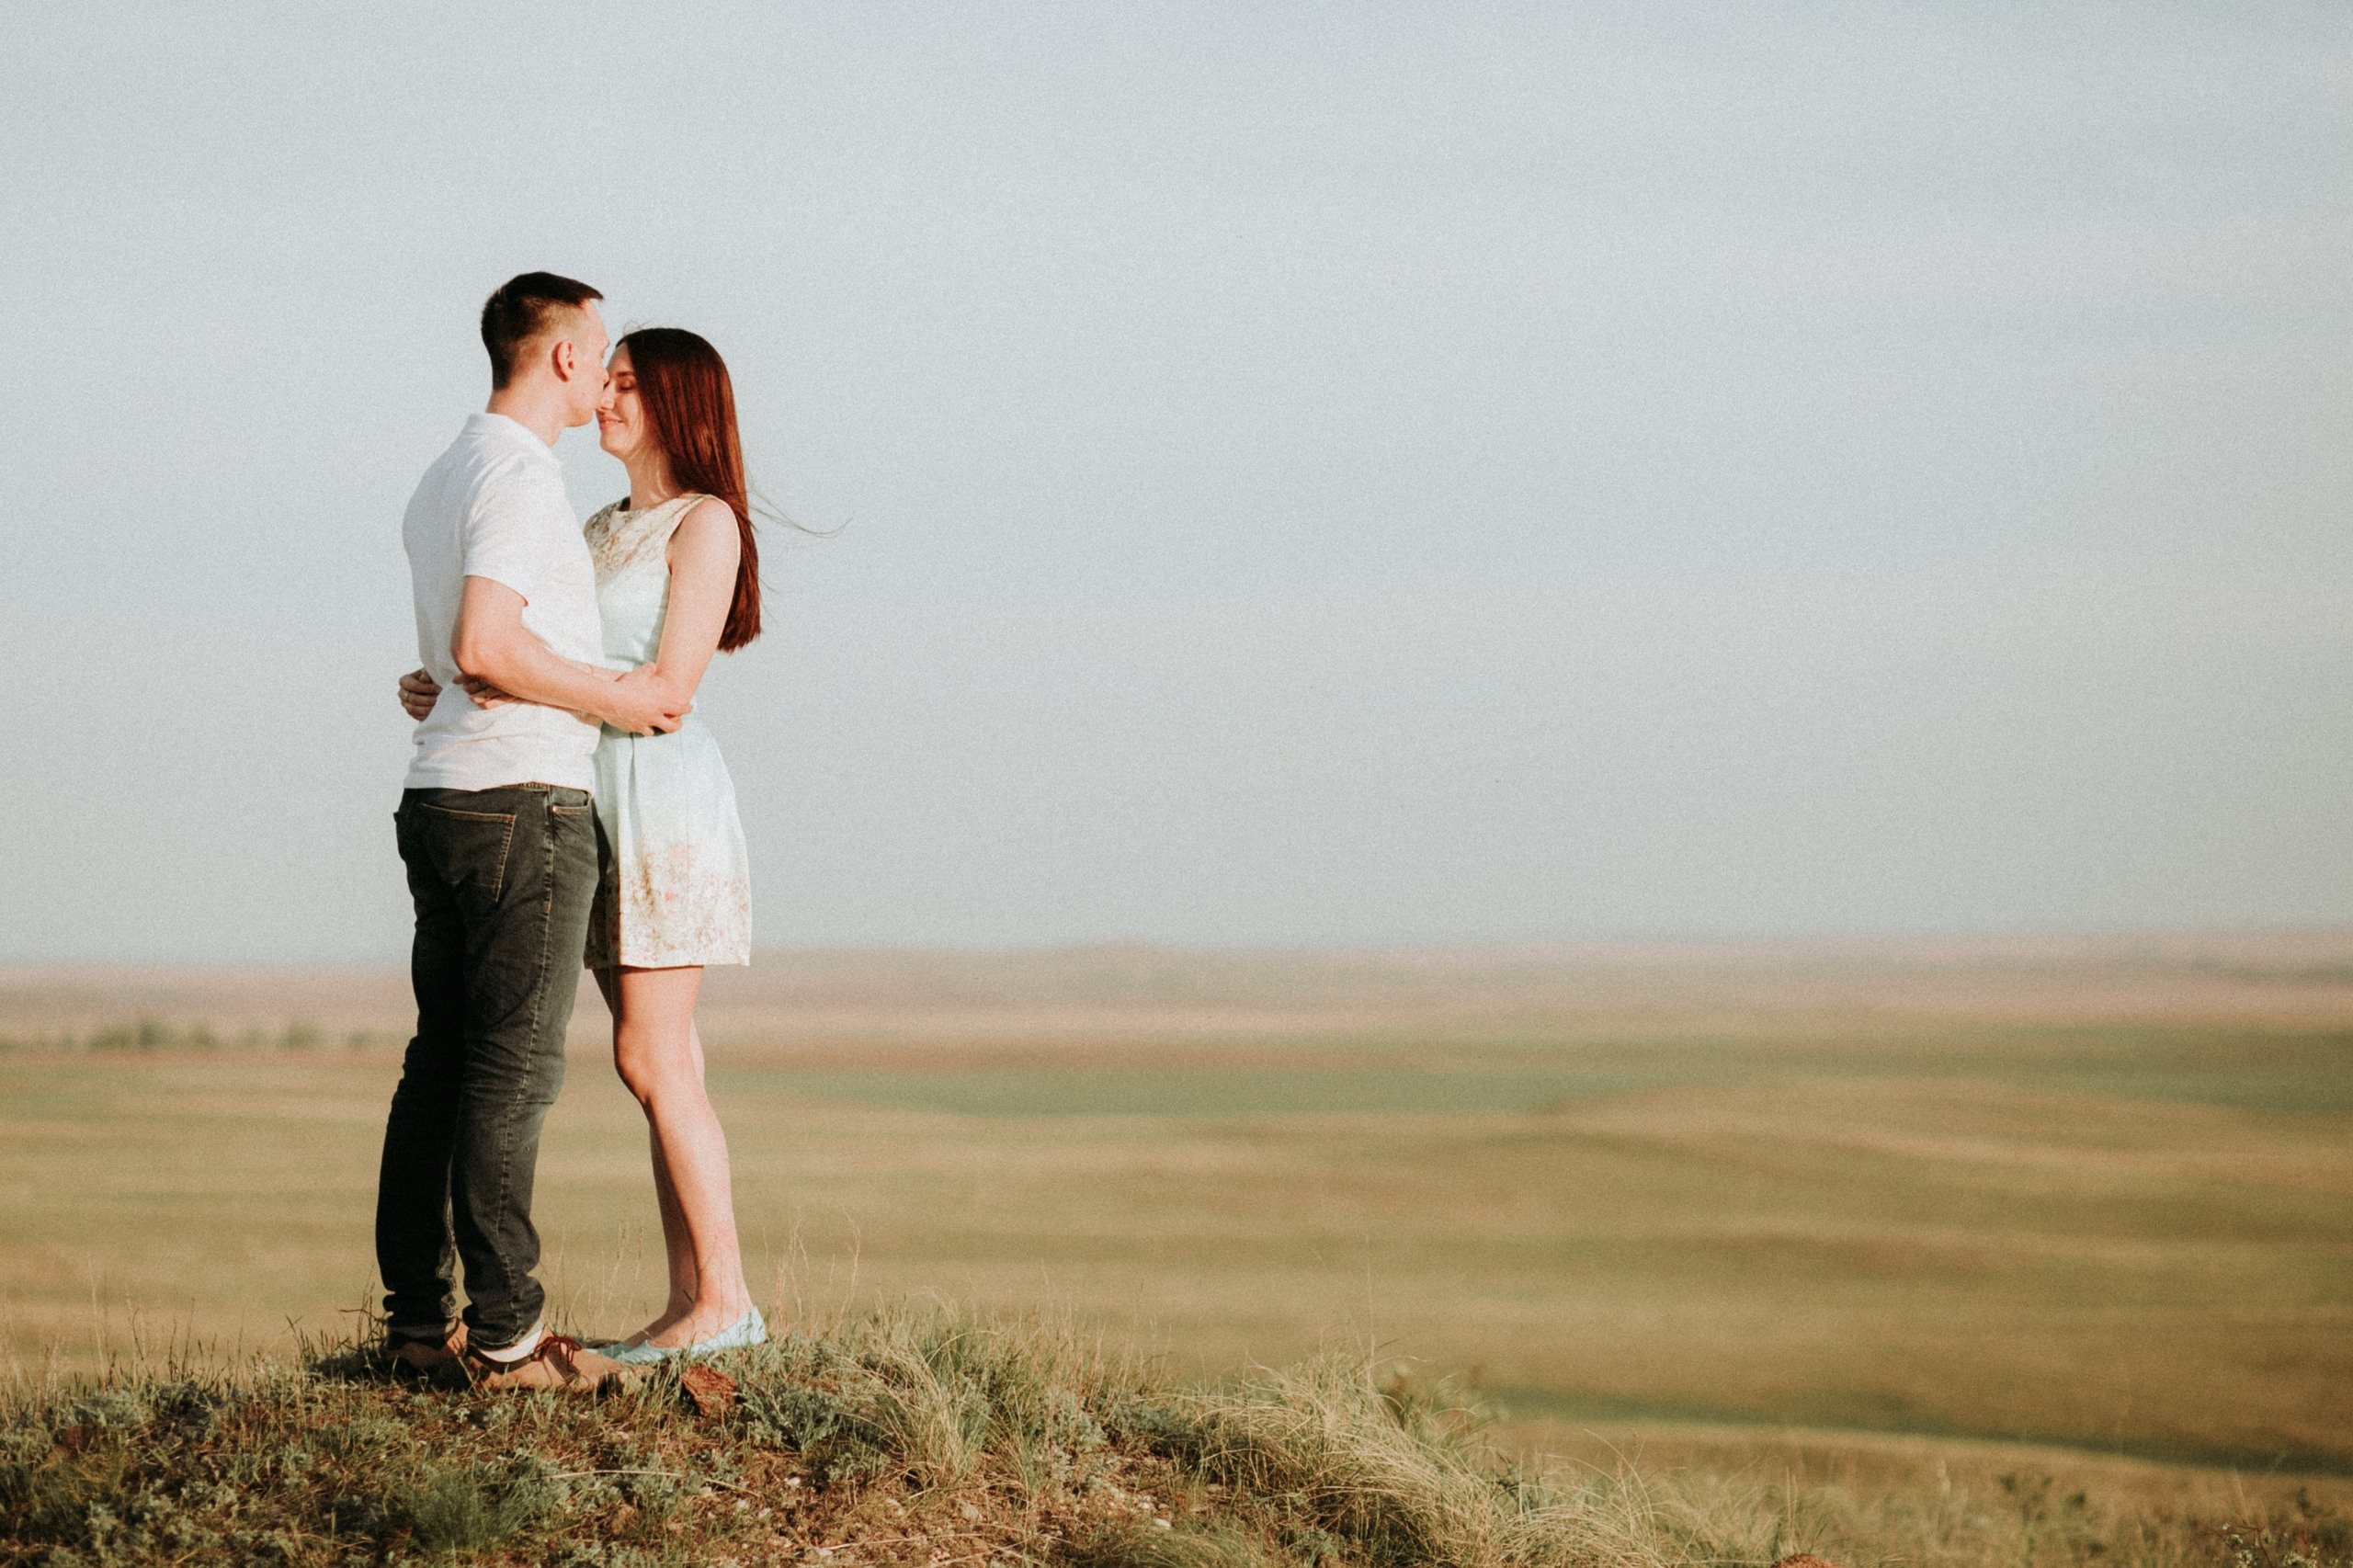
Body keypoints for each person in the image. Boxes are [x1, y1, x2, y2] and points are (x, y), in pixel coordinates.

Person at [400, 326, 767, 1363]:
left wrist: (512, 673)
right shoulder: (601, 522)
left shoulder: (707, 523)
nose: (605, 397)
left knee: (651, 1053)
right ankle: (694, 1301)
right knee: (660, 1057)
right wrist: (461, 675)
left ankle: (726, 1300)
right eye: (607, 380)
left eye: (627, 385)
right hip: (583, 790)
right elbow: (534, 646)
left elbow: (667, 690)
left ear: (680, 401)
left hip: (658, 796)